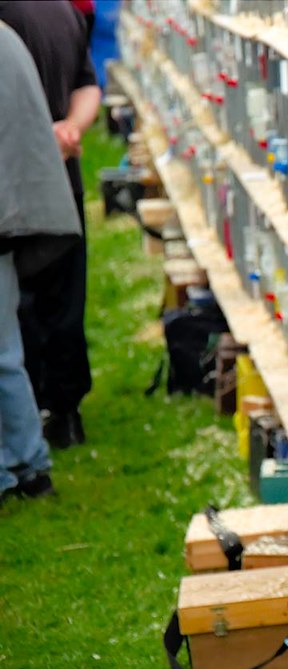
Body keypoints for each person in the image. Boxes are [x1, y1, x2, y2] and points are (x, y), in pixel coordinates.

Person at [0, 0, 101, 448]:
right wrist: (70, 129)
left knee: (16, 308)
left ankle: (26, 432)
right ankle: (65, 414)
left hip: (15, 182)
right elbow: (87, 84)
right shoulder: (65, 9)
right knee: (64, 298)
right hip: (60, 177)